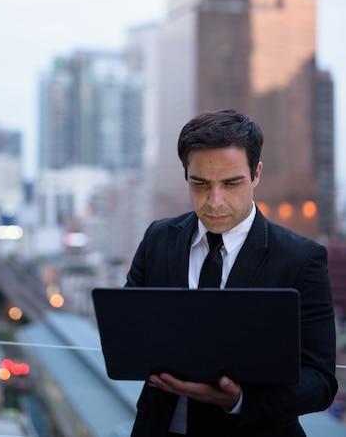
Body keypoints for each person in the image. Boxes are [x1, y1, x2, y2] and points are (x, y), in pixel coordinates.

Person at [125, 108, 338, 437]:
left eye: (231, 183)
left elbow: (320, 381)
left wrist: (240, 399)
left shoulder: (301, 258)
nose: (215, 201)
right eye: (200, 184)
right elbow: (127, 334)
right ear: (186, 176)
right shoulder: (157, 238)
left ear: (256, 175)